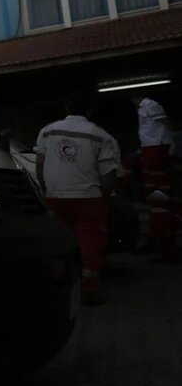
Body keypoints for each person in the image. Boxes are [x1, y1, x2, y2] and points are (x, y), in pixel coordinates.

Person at [36, 91, 120, 306]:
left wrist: (47, 189)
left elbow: (40, 165)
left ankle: (59, 287)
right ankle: (89, 289)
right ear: (90, 111)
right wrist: (103, 198)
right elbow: (108, 175)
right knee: (90, 243)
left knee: (58, 242)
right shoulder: (101, 136)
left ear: (66, 108)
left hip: (55, 196)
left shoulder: (48, 131)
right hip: (88, 198)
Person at [133, 95, 179, 262]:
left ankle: (162, 242)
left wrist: (173, 135)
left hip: (156, 146)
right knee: (156, 193)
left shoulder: (150, 105)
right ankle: (160, 240)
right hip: (151, 147)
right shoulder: (143, 109)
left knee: (159, 195)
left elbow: (163, 121)